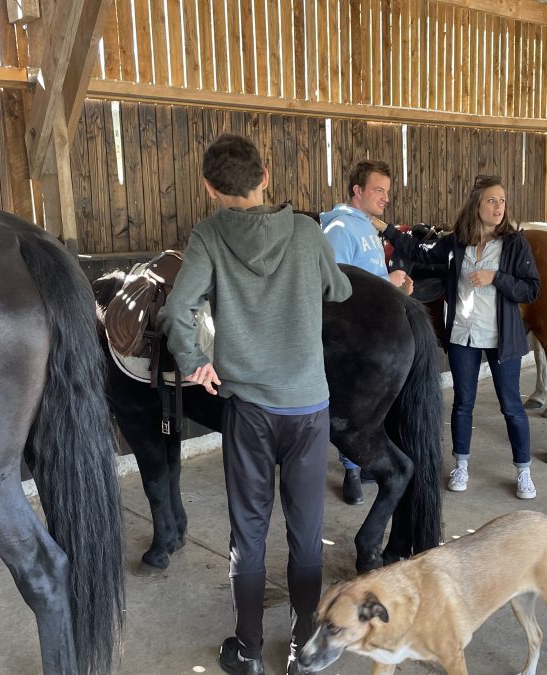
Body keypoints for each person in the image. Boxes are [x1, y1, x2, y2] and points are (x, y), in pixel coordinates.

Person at [158, 134, 353, 675]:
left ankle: (246, 650)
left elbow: (177, 312)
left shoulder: (208, 237)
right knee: (306, 533)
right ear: (265, 177)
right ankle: (303, 649)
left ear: (208, 188)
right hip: (307, 408)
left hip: (247, 410)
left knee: (248, 531)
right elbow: (338, 291)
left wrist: (194, 359)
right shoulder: (307, 232)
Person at [374, 175, 541, 499]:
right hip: (464, 335)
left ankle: (523, 471)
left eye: (502, 200)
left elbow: (531, 289)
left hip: (501, 338)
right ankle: (461, 465)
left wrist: (497, 277)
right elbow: (418, 252)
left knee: (511, 407)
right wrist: (386, 228)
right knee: (463, 404)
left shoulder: (515, 244)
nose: (498, 206)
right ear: (477, 205)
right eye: (491, 200)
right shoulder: (457, 243)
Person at [319, 159, 412, 506]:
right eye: (378, 190)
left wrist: (394, 292)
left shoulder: (366, 229)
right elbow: (334, 287)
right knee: (352, 407)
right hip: (350, 340)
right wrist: (388, 283)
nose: (385, 197)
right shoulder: (341, 229)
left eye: (387, 191)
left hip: (372, 335)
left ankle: (361, 464)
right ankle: (351, 471)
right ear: (357, 191)